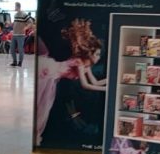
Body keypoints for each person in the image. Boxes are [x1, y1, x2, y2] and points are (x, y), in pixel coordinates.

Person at [35, 18, 107, 146]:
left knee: (43, 107)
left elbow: (95, 83)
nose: (98, 57)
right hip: (48, 73)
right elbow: (86, 85)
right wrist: (107, 89)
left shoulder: (86, 65)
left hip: (53, 78)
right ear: (90, 53)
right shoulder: (80, 62)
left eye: (99, 54)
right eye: (97, 54)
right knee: (41, 107)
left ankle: (37, 135)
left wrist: (111, 81)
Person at [11, 2, 33, 66]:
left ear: (18, 7)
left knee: (20, 49)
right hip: (14, 34)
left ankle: (20, 62)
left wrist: (26, 28)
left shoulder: (24, 14)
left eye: (15, 6)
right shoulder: (15, 15)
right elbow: (16, 23)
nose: (14, 8)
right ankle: (14, 61)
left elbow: (31, 22)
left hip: (20, 35)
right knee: (12, 49)